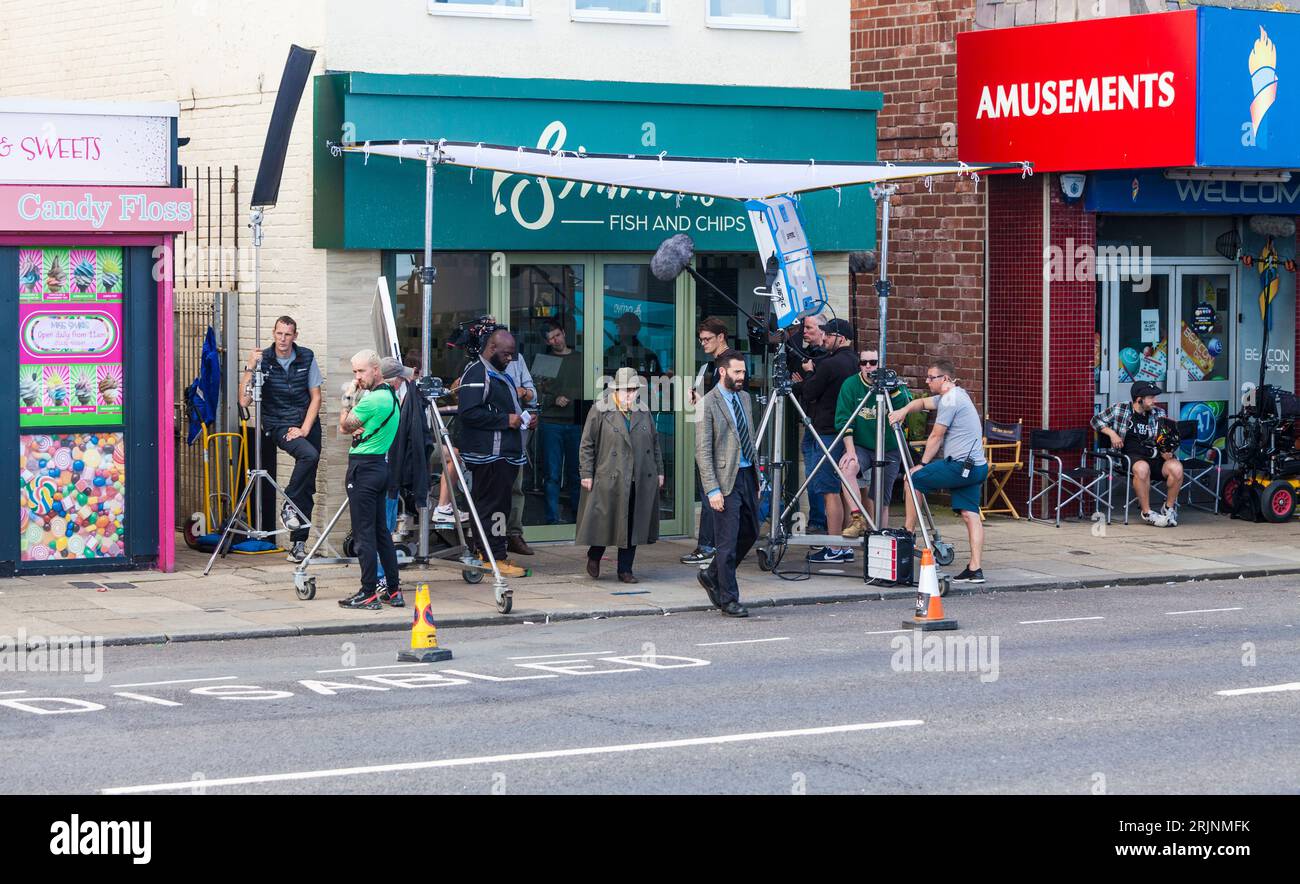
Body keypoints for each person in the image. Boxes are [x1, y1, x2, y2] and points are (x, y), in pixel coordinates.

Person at [888, 358, 990, 584]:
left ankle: (908, 532)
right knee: (969, 514)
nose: (927, 380)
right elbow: (923, 404)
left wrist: (922, 464)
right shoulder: (954, 395)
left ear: (944, 379)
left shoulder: (951, 400)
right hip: (976, 467)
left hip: (960, 466)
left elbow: (936, 435)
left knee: (913, 479)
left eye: (931, 377)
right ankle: (975, 569)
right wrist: (904, 409)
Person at [239, 315, 321, 563]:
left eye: (288, 334)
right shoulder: (264, 360)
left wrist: (305, 429)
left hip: (306, 423)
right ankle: (288, 504)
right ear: (273, 334)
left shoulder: (306, 356)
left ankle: (298, 544)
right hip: (278, 424)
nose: (283, 339)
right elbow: (244, 401)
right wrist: (250, 367)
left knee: (307, 485)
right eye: (279, 334)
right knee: (309, 455)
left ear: (295, 336)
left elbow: (315, 396)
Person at [575, 367, 665, 583]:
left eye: (634, 390)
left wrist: (659, 471)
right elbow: (587, 444)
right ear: (615, 390)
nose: (630, 394)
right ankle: (594, 555)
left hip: (639, 476)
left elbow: (655, 443)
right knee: (605, 520)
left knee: (633, 524)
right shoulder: (600, 410)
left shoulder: (643, 411)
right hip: (610, 475)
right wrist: (586, 472)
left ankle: (625, 569)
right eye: (626, 390)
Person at [456, 329, 529, 578]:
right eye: (506, 354)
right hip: (490, 455)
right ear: (491, 348)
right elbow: (468, 413)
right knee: (493, 508)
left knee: (498, 506)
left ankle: (489, 553)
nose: (510, 359)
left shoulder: (499, 374)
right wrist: (505, 420)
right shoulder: (478, 372)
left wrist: (524, 419)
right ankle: (494, 556)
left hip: (503, 455)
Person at [336, 350, 403, 610]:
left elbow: (343, 427)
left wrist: (347, 401)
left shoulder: (371, 401)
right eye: (354, 372)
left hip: (363, 469)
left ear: (376, 370)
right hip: (380, 466)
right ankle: (394, 590)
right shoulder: (391, 397)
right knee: (381, 533)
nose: (357, 377)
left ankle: (368, 593)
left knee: (364, 536)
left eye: (361, 371)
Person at [695, 349, 759, 618]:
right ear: (723, 372)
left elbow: (749, 439)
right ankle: (728, 599)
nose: (742, 376)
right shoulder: (707, 403)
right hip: (723, 480)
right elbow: (703, 449)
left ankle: (711, 574)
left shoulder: (744, 397)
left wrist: (758, 476)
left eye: (743, 371)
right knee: (727, 542)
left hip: (747, 475)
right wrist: (712, 489)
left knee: (752, 532)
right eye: (737, 372)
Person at [798, 317, 858, 563]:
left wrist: (808, 375)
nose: (824, 338)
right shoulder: (855, 363)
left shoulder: (830, 365)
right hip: (844, 432)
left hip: (825, 430)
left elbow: (810, 392)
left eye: (829, 335)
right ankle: (844, 545)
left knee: (828, 491)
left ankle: (834, 548)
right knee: (841, 488)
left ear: (839, 338)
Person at [836, 349, 914, 536]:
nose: (868, 367)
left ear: (881, 363)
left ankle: (880, 538)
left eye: (873, 362)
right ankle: (857, 519)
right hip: (862, 445)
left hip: (889, 447)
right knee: (847, 467)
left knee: (880, 500)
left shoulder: (893, 383)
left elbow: (906, 406)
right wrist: (850, 451)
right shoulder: (851, 385)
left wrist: (893, 388)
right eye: (864, 363)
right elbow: (843, 419)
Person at [1092, 381, 1183, 527]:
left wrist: (1167, 452)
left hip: (1155, 455)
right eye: (1151, 397)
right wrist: (1112, 434)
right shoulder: (1120, 409)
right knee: (1142, 468)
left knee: (1177, 468)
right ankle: (1147, 513)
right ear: (1139, 399)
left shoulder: (1159, 413)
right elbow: (1095, 420)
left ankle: (1168, 509)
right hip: (1130, 457)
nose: (1155, 401)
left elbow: (1165, 438)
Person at [682, 316, 731, 566]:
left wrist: (703, 401)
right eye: (701, 340)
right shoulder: (715, 364)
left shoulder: (730, 362)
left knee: (712, 490)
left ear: (721, 336)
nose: (703, 344)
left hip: (721, 439)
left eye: (707, 339)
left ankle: (709, 545)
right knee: (711, 491)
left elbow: (728, 402)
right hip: (715, 434)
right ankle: (712, 545)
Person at [537, 319, 584, 525]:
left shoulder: (580, 359)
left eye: (557, 335)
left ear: (564, 333)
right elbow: (535, 393)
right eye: (551, 339)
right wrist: (553, 399)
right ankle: (551, 521)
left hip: (576, 422)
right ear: (547, 342)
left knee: (577, 473)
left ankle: (578, 519)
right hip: (551, 422)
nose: (555, 340)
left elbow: (588, 389)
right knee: (552, 475)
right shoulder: (545, 361)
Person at [791, 314, 829, 533]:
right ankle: (817, 518)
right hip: (809, 421)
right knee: (811, 471)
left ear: (823, 331)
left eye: (808, 328)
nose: (804, 332)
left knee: (817, 473)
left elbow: (812, 390)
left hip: (821, 424)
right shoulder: (808, 355)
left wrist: (807, 378)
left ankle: (818, 521)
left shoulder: (826, 359)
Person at [503, 341, 538, 557]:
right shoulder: (477, 362)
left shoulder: (517, 360)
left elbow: (532, 393)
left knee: (516, 486)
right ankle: (488, 538)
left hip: (517, 435)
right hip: (490, 436)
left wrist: (524, 393)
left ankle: (513, 534)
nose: (508, 356)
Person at [604, 312, 663, 380]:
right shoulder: (610, 352)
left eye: (623, 326)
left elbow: (657, 382)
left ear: (635, 329)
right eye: (619, 326)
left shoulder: (649, 356)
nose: (620, 330)